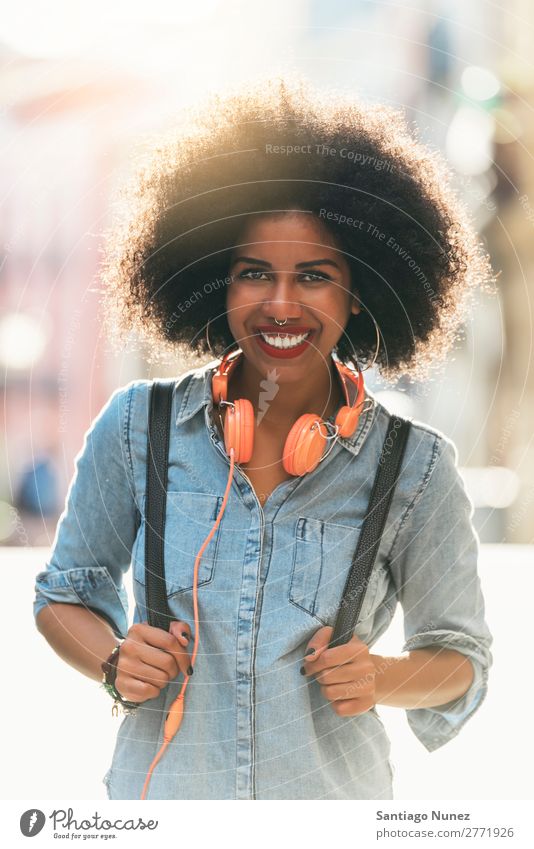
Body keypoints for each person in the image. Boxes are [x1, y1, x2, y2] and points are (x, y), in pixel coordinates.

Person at [33, 77, 493, 800]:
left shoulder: (417, 467)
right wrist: (114, 659)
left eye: (314, 276)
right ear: (218, 281)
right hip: (162, 819)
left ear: (360, 292)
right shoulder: (136, 427)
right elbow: (64, 593)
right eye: (254, 274)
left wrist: (385, 676)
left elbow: (462, 657)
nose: (280, 303)